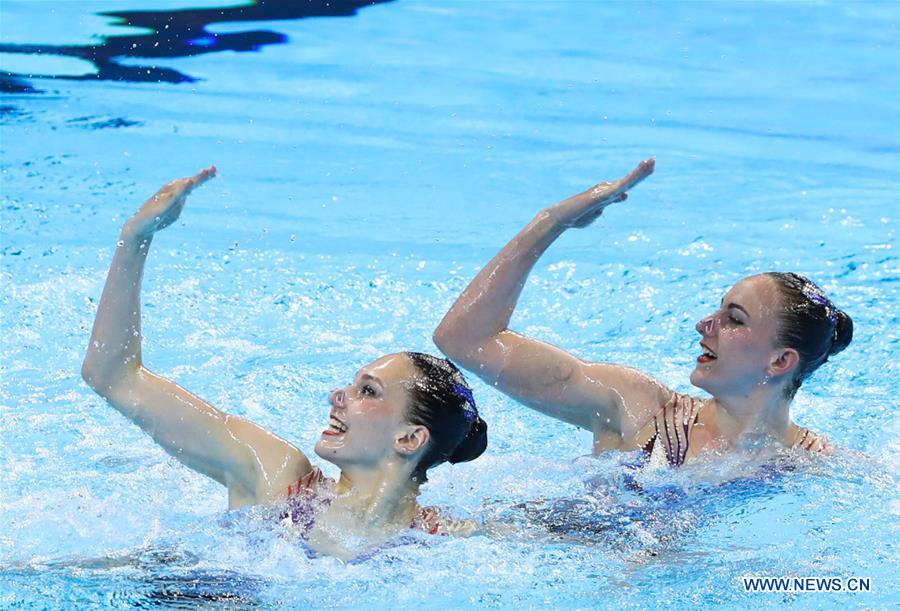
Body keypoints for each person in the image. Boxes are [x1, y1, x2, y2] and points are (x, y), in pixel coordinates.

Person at [81, 167, 487, 560]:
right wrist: (135, 239)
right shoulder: (275, 476)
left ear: (409, 439)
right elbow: (113, 376)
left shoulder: (442, 540)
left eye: (368, 391)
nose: (338, 396)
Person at [433, 159, 852, 468]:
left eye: (735, 319)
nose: (705, 324)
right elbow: (466, 340)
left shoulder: (816, 466)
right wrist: (551, 222)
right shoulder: (635, 406)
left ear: (780, 361)